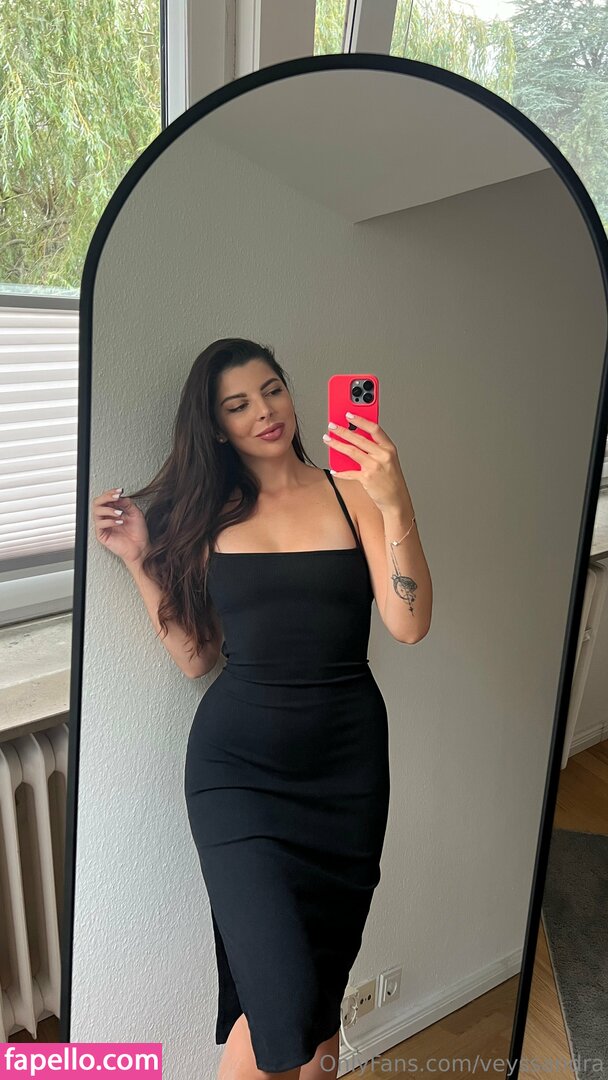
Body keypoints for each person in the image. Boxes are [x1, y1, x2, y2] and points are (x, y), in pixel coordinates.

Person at [92, 338, 432, 1080]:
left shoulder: (350, 492)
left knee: (319, 1000)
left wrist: (395, 497)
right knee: (279, 1002)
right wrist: (141, 561)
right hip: (238, 775)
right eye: (238, 405)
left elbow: (408, 624)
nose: (264, 412)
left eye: (272, 389)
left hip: (346, 774)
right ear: (216, 427)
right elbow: (197, 657)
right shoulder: (206, 517)